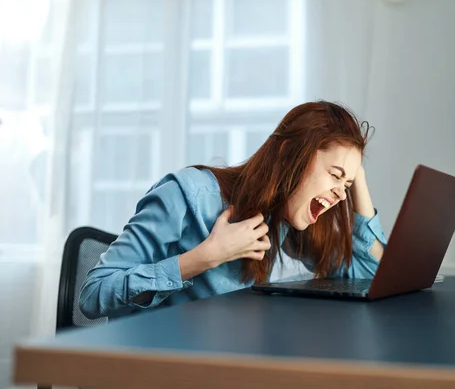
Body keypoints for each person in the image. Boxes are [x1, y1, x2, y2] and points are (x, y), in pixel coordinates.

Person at [79, 101, 387, 320]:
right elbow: (93, 295)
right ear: (289, 154)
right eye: (335, 175)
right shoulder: (188, 195)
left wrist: (353, 169)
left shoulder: (287, 223)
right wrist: (205, 258)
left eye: (346, 185)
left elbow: (374, 275)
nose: (340, 195)